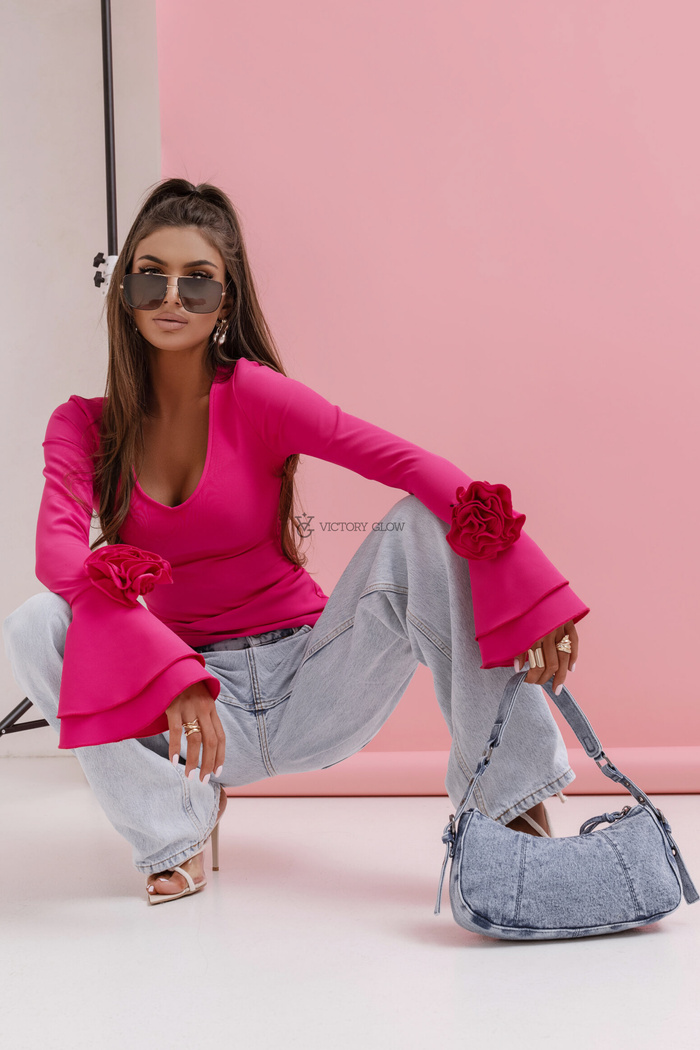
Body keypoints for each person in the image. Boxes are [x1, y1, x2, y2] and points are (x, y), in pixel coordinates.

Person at [2, 178, 589, 905]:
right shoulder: (84, 426)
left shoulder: (254, 395)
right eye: (151, 276)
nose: (172, 298)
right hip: (194, 718)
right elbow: (59, 558)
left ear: (227, 301)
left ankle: (510, 808)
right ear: (125, 290)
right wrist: (169, 668)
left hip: (313, 682)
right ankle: (173, 826)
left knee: (419, 523)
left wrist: (533, 584)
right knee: (36, 623)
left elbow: (409, 466)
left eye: (198, 281)